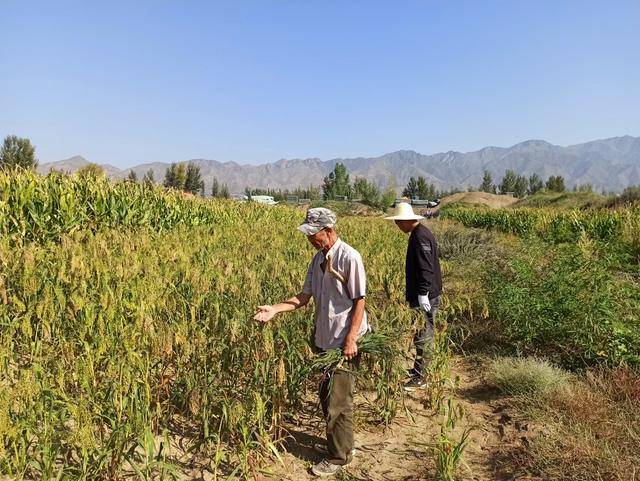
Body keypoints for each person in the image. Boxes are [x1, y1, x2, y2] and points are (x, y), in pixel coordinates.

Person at [254, 207, 369, 477]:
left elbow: (359, 301)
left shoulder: (349, 257)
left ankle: (339, 458)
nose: (309, 239)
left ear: (328, 231)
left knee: (338, 402)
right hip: (324, 339)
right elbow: (303, 298)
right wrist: (274, 309)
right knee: (327, 397)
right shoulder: (317, 260)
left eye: (313, 234)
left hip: (344, 342)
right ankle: (343, 446)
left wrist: (351, 339)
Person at [385, 202, 442, 392]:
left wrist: (423, 293)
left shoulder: (420, 237)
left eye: (399, 222)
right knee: (421, 334)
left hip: (425, 297)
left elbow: (426, 268)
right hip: (422, 295)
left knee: (424, 335)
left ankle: (421, 377)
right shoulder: (419, 234)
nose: (397, 225)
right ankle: (419, 370)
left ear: (408, 220)